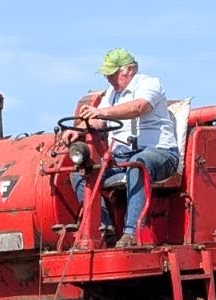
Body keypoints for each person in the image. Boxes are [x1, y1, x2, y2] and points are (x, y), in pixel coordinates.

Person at [69, 49, 180, 248]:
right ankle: (105, 228)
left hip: (161, 153)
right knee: (79, 174)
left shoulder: (149, 83)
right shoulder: (111, 94)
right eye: (106, 75)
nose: (108, 79)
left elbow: (139, 108)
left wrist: (101, 112)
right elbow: (98, 121)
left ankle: (131, 233)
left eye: (112, 74)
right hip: (122, 158)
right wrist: (77, 131)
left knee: (138, 164)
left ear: (129, 70)